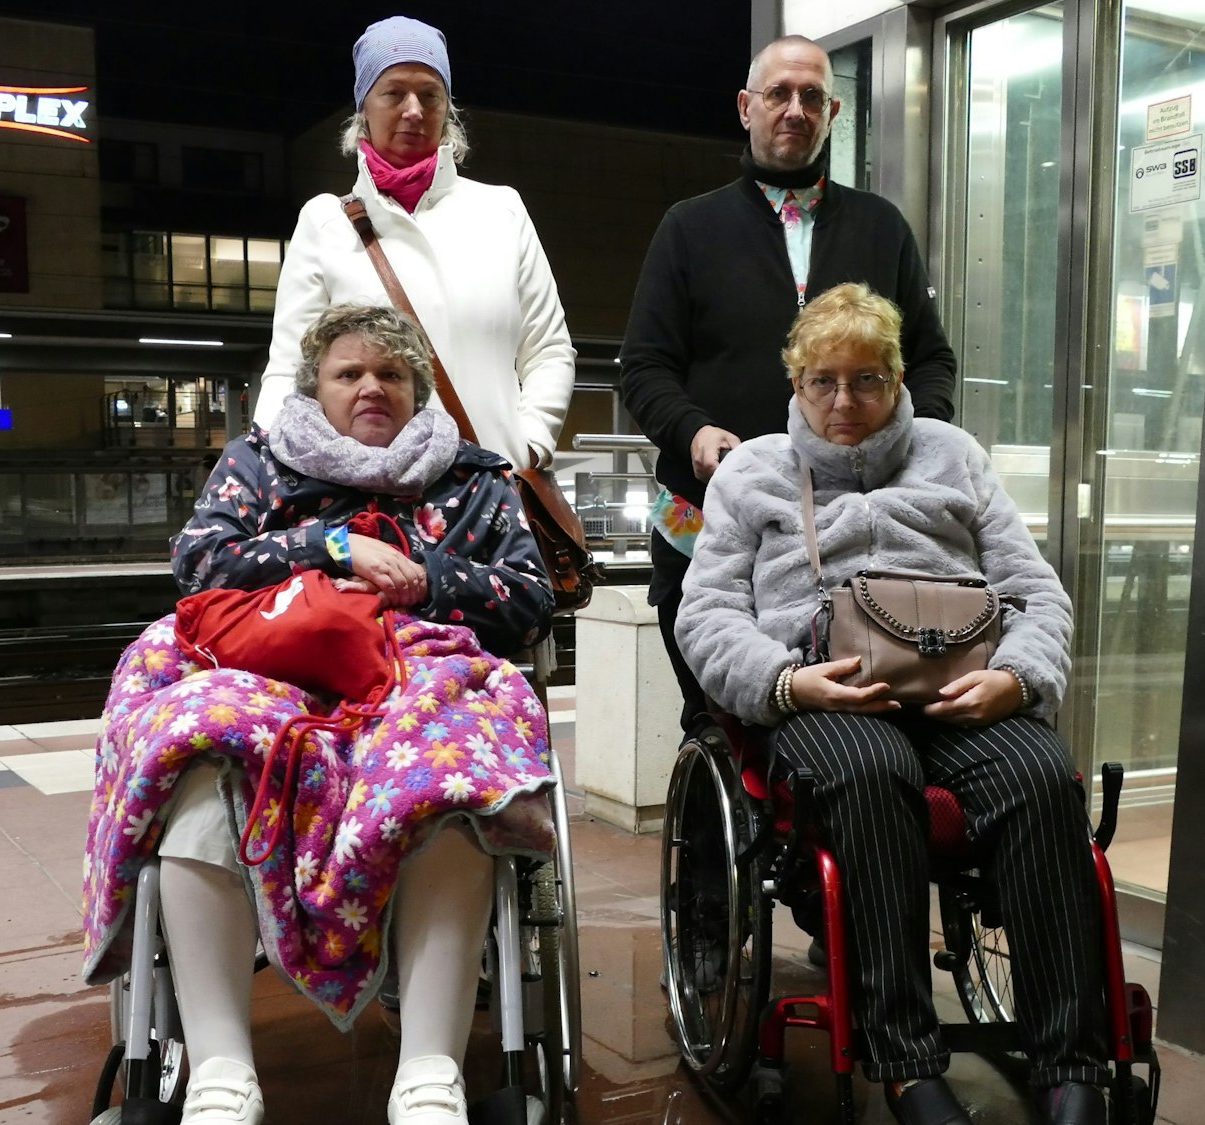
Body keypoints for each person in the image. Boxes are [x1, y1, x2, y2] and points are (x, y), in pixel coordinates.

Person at [83, 305, 560, 1125]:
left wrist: (420, 576)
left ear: (417, 390)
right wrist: (329, 548)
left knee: (450, 767)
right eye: (350, 372)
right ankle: (221, 1072)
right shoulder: (257, 463)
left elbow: (530, 596)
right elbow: (199, 563)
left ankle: (430, 1073)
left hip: (420, 666)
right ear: (316, 388)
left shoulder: (477, 478)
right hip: (269, 664)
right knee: (197, 743)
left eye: (391, 372)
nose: (371, 386)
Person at [677, 284, 1108, 1125]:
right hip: (826, 696)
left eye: (867, 379)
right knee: (871, 773)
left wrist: (1017, 679)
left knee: (1041, 775)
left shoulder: (954, 456)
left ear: (899, 378)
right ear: (797, 384)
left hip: (962, 690)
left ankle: (1071, 1061)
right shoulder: (753, 473)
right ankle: (907, 1062)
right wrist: (785, 683)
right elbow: (708, 614)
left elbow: (1037, 592)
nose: (845, 401)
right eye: (824, 381)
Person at [621, 34, 959, 736]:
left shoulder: (881, 226)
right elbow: (644, 366)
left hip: (856, 534)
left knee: (866, 725)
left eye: (812, 96)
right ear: (746, 107)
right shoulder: (689, 227)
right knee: (721, 722)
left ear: (833, 112)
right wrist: (693, 431)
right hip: (708, 518)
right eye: (778, 94)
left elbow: (930, 361)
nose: (795, 109)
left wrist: (912, 438)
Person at [252, 15, 575, 473]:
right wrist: (265, 463)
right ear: (364, 107)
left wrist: (531, 444)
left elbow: (549, 349)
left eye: (430, 94)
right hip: (365, 495)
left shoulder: (501, 211)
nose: (414, 110)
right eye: (393, 93)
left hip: (490, 484)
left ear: (448, 108)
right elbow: (290, 364)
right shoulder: (326, 221)